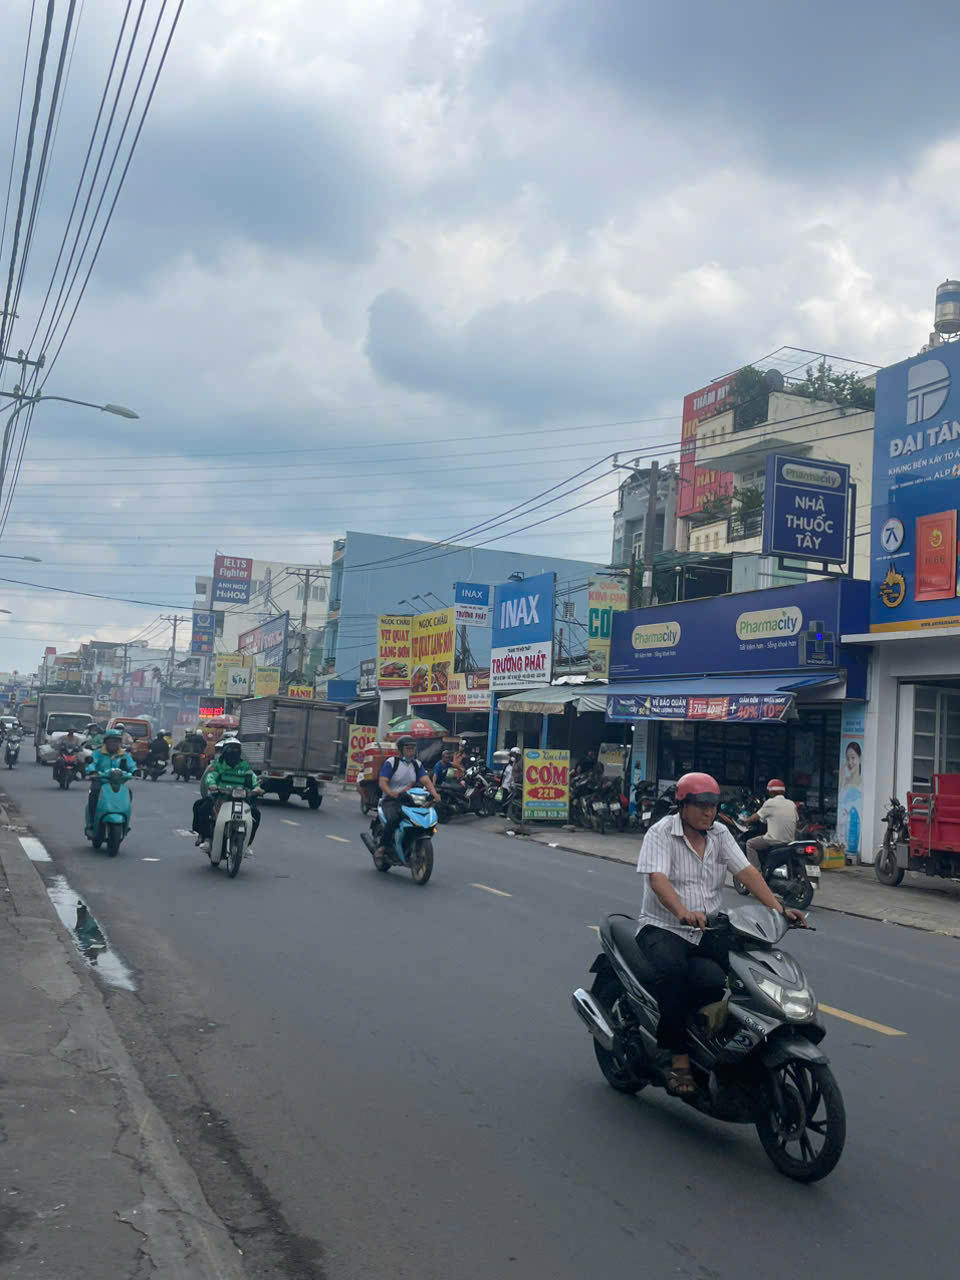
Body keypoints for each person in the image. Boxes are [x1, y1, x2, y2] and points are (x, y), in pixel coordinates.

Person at [636, 771, 806, 1097]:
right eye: (700, 805)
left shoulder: (720, 834)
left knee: (737, 973)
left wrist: (779, 910)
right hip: (663, 927)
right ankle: (675, 1056)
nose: (708, 812)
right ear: (682, 805)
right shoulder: (661, 833)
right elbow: (657, 879)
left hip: (707, 929)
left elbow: (747, 872)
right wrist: (681, 911)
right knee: (675, 976)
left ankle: (722, 1043)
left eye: (713, 805)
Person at [192, 738, 261, 849]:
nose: (234, 752)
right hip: (220, 795)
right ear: (225, 750)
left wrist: (257, 787)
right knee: (201, 807)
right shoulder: (218, 764)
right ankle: (206, 837)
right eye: (231, 749)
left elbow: (252, 777)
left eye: (236, 749)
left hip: (241, 797)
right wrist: (212, 784)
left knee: (256, 814)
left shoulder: (244, 765)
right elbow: (211, 776)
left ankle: (246, 845)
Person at [377, 736, 441, 854]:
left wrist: (435, 794)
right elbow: (382, 782)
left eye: (413, 748)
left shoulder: (417, 764)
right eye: (408, 748)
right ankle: (383, 846)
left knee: (424, 818)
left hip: (410, 799)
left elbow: (426, 781)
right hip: (391, 800)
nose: (411, 750)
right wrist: (391, 793)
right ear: (400, 750)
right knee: (393, 819)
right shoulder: (392, 762)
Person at [85, 730, 136, 833]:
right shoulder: (98, 753)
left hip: (118, 783)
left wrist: (135, 771)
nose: (114, 744)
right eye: (111, 741)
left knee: (128, 793)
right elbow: (91, 763)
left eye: (116, 741)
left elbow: (131, 765)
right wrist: (92, 771)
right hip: (100, 782)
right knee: (94, 794)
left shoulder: (124, 754)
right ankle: (92, 822)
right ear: (106, 742)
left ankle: (125, 820)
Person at [744, 779, 798, 873]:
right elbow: (796, 820)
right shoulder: (791, 804)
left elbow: (756, 817)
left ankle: (756, 872)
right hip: (790, 842)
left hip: (774, 840)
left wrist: (746, 821)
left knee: (750, 844)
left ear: (771, 792)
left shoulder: (770, 802)